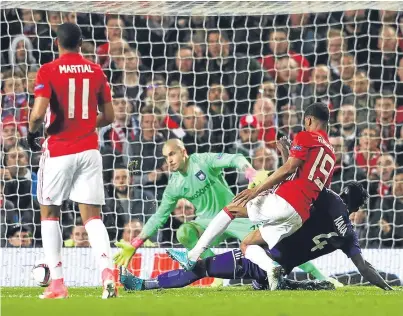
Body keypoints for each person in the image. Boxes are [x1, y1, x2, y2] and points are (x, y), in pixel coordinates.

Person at [114, 138, 341, 286]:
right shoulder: (174, 185)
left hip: (235, 214)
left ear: (183, 151)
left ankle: (321, 276)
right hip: (206, 221)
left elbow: (235, 158)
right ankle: (215, 276)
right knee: (184, 232)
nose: (169, 160)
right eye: (165, 157)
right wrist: (136, 242)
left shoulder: (203, 161)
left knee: (278, 245)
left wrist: (249, 171)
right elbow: (160, 215)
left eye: (172, 154)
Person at [166, 103, 336, 290]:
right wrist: (286, 153)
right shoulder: (330, 153)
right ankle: (272, 270)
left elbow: (289, 168)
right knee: (247, 244)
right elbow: (313, 184)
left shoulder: (305, 136)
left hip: (286, 201)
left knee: (231, 208)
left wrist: (254, 191)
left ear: (309, 120)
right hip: (299, 215)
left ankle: (192, 256)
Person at [120, 182, 392, 292]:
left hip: (266, 255)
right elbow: (364, 268)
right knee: (255, 274)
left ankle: (143, 285)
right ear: (357, 207)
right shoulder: (349, 236)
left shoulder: (329, 199)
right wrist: (388, 288)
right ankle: (289, 283)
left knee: (201, 267)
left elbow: (302, 183)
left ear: (344, 193)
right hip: (284, 262)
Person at [27, 23, 116, 299]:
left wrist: (31, 132)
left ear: (57, 43)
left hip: (59, 151)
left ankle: (57, 283)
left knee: (50, 212)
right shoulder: (96, 70)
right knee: (92, 218)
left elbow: (39, 111)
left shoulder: (49, 70)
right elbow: (110, 116)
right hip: (89, 151)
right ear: (81, 44)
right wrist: (88, 126)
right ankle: (107, 274)